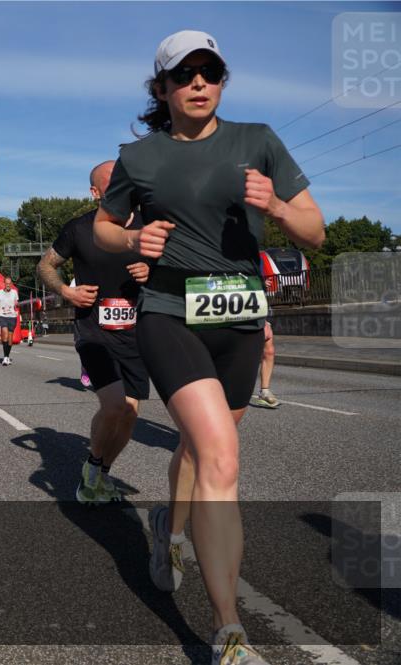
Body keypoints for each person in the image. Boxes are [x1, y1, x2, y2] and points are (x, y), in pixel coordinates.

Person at [93, 31, 324, 664]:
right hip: (170, 314)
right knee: (221, 457)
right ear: (161, 88)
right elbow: (105, 228)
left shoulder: (259, 140)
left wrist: (275, 204)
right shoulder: (139, 159)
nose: (200, 83)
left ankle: (168, 528)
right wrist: (133, 240)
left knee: (201, 448)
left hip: (242, 319)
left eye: (212, 72)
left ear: (222, 81)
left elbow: (316, 229)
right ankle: (230, 632)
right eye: (185, 74)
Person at [39, 161, 151, 504]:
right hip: (94, 331)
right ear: (96, 192)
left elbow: (179, 270)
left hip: (138, 332)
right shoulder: (79, 228)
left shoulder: (150, 226)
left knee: (131, 412)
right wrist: (67, 292)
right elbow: (45, 265)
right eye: (113, 183)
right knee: (115, 405)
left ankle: (98, 472)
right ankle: (93, 474)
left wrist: (152, 272)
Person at [250, 319, 280, 409]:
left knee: (269, 351)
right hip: (231, 317)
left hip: (255, 315)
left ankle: (264, 393)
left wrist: (263, 320)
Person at [0, 276, 19, 366]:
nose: (8, 285)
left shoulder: (14, 293)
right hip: (2, 316)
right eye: (6, 283)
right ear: (4, 283)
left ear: (11, 284)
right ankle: (5, 358)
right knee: (5, 336)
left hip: (12, 317)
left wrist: (17, 307)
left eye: (9, 283)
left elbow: (16, 303)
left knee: (10, 339)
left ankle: (7, 356)